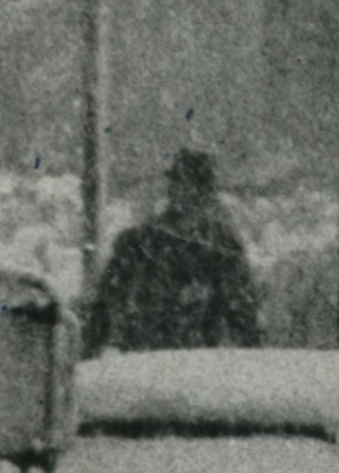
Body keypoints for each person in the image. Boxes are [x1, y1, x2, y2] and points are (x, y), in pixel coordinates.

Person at [87, 147, 264, 354]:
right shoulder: (138, 241)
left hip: (195, 362)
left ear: (205, 192)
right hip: (143, 359)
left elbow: (244, 316)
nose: (178, 191)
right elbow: (104, 306)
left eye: (189, 185)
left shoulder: (224, 248)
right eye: (177, 183)